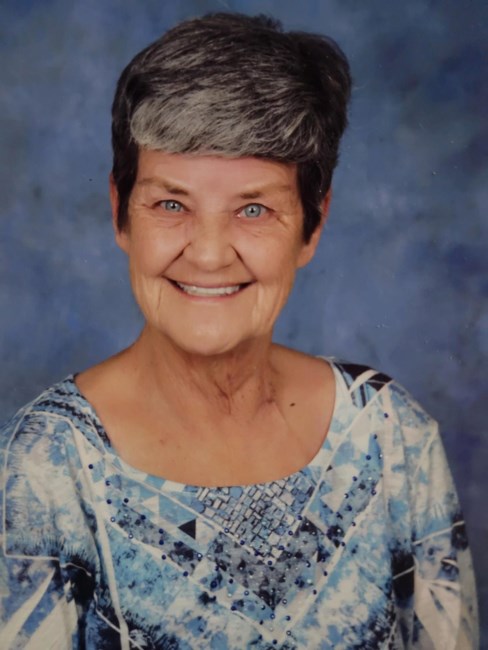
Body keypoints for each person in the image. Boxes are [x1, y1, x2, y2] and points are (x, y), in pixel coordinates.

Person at [0, 12, 478, 650]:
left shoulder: (392, 437)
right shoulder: (42, 470)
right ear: (120, 214)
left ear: (311, 225)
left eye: (253, 209)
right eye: (171, 204)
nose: (208, 254)